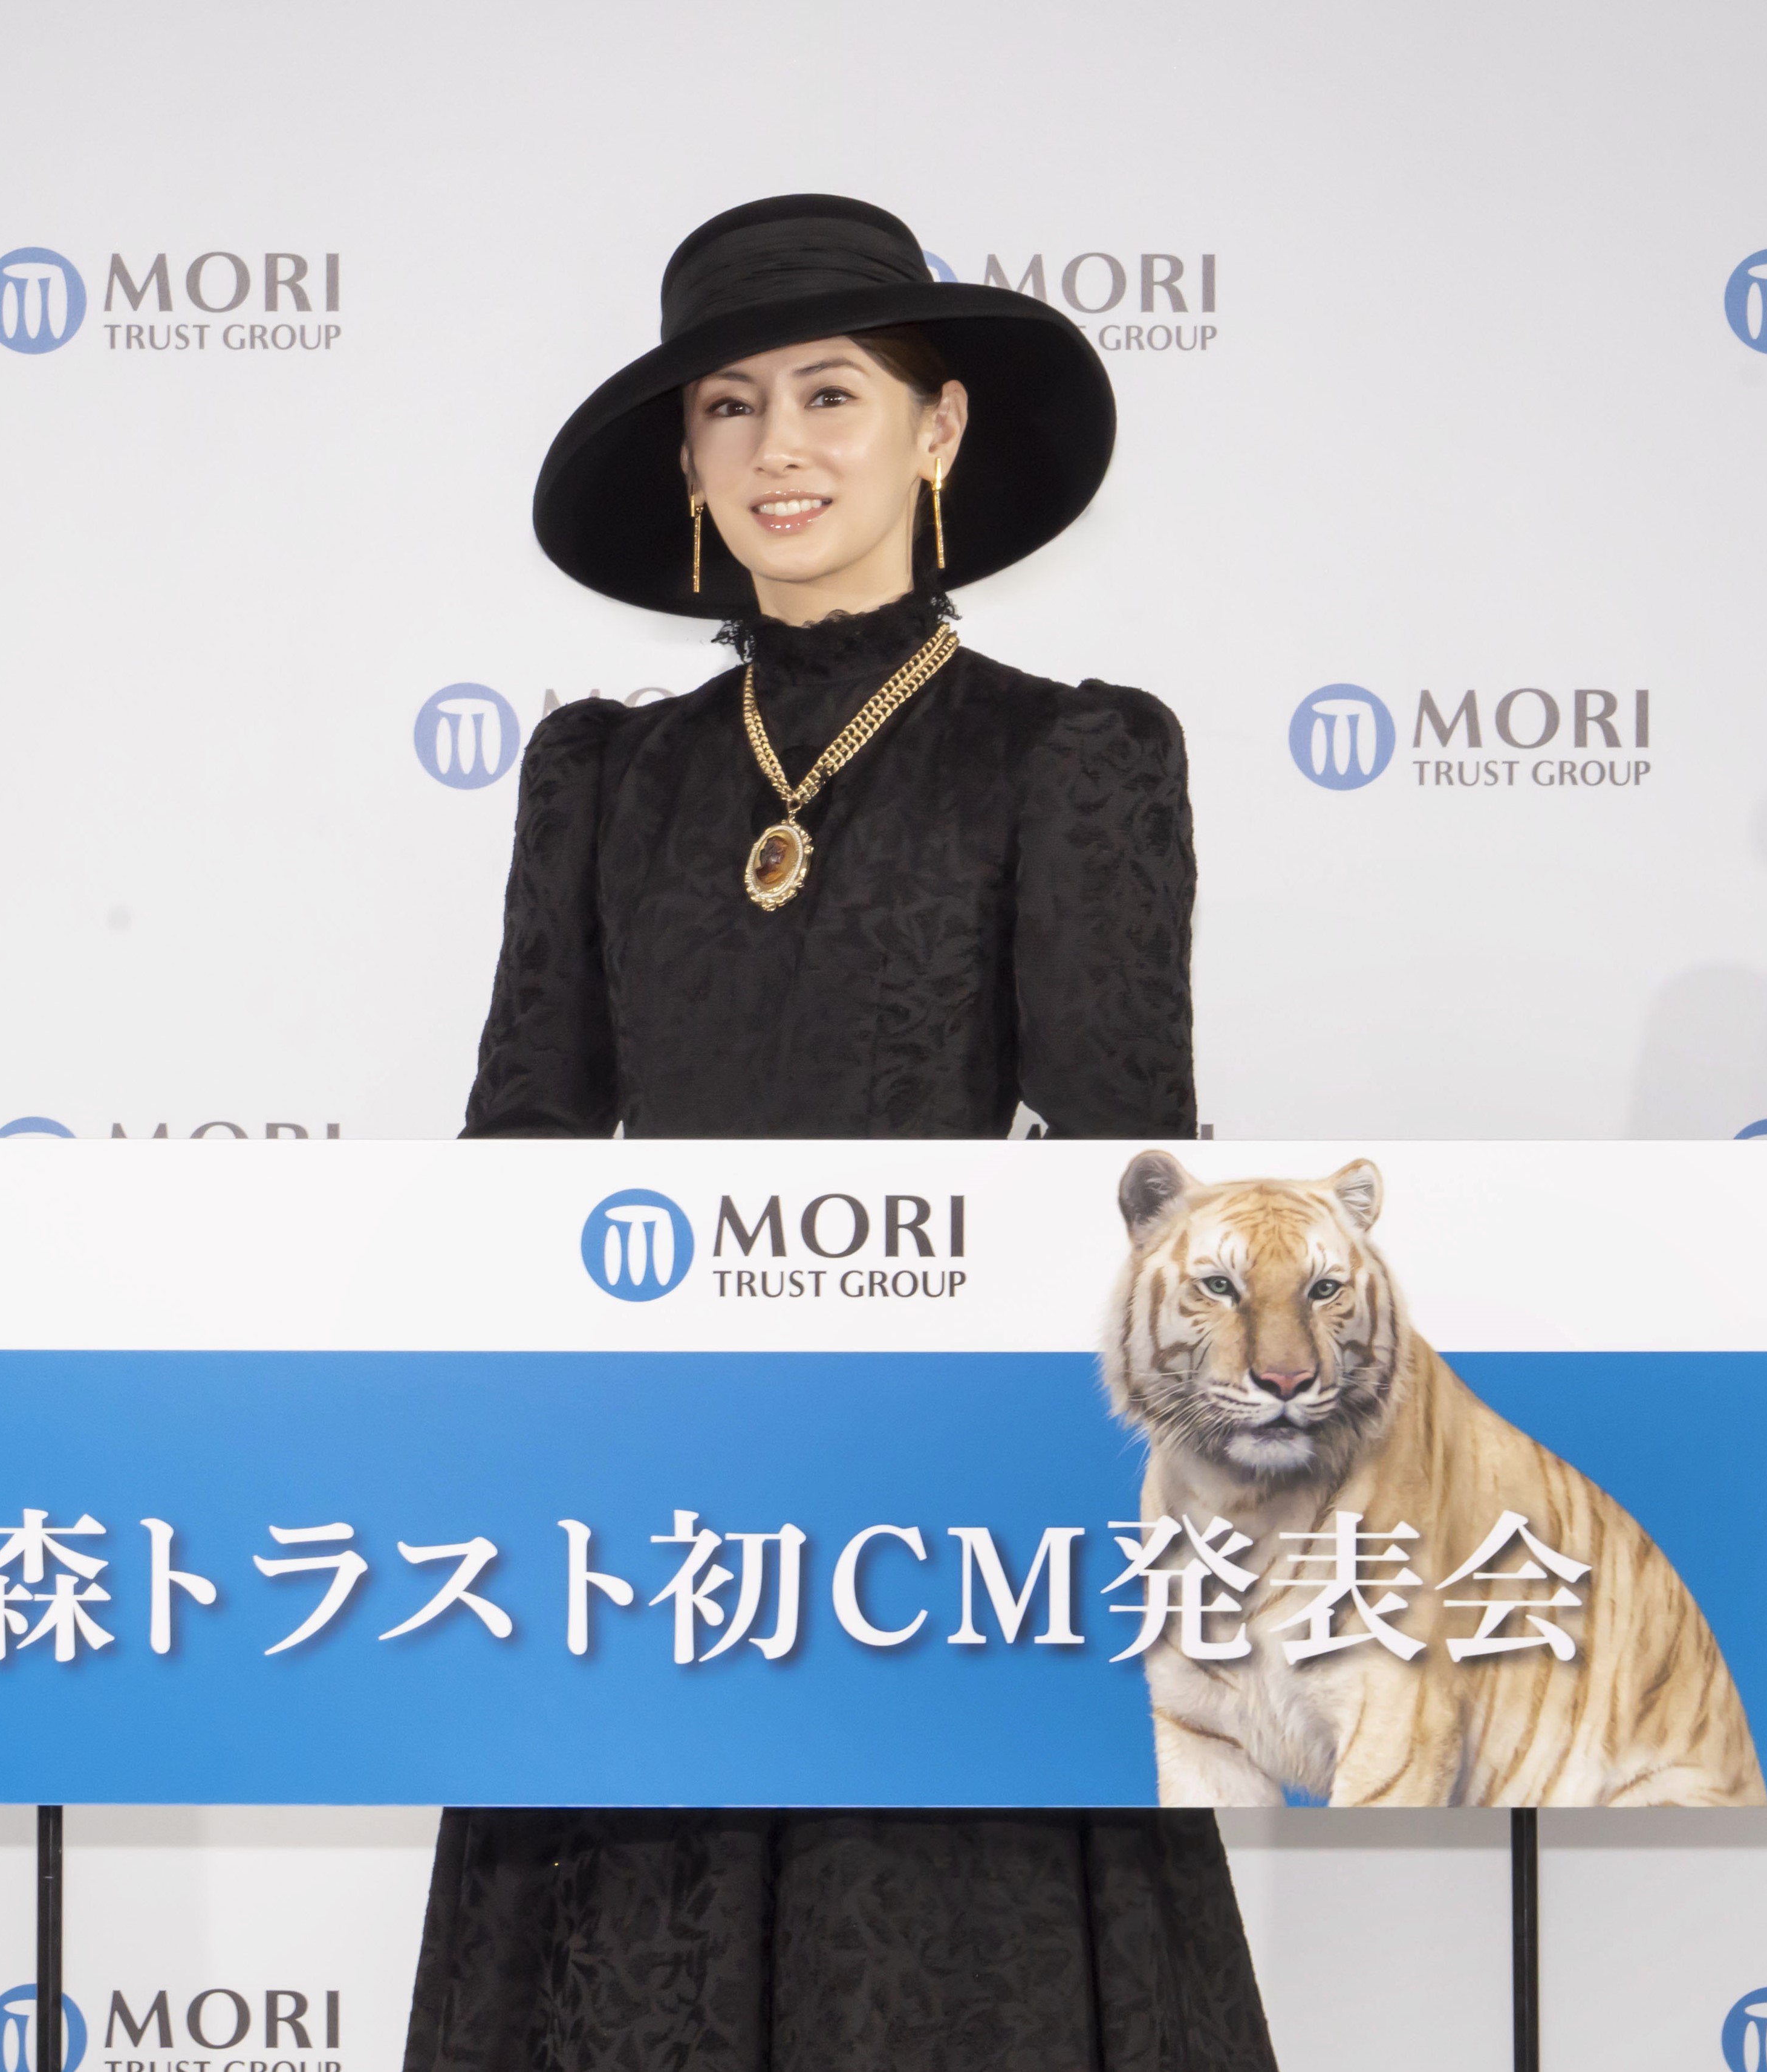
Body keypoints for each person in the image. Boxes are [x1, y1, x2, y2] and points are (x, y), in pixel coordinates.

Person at [415, 194, 1278, 2072]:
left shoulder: (1071, 754)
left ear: (936, 428)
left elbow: (1126, 1177)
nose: (778, 448)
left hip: (941, 1545)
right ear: (686, 459)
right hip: (648, 1541)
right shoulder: (599, 775)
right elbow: (521, 1154)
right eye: (728, 406)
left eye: (829, 394)